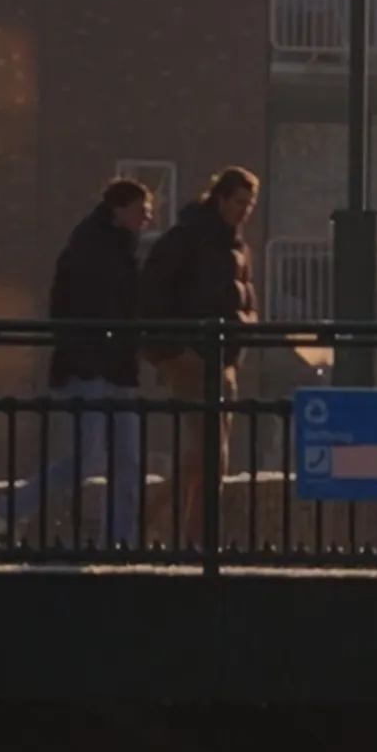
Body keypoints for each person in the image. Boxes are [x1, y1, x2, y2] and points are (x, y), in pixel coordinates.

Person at [9, 179, 153, 547]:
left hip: (116, 367)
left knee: (128, 461)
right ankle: (12, 507)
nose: (147, 217)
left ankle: (120, 539)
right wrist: (91, 351)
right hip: (91, 368)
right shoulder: (89, 250)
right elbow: (73, 309)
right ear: (118, 210)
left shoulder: (120, 250)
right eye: (141, 209)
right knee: (88, 459)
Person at [143, 168, 260, 548]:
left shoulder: (238, 248)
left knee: (216, 459)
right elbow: (152, 295)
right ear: (221, 199)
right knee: (207, 452)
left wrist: (245, 329)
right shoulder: (186, 240)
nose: (245, 211)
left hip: (222, 358)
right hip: (192, 356)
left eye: (250, 204)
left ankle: (194, 539)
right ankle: (162, 516)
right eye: (239, 202)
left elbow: (246, 299)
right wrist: (175, 350)